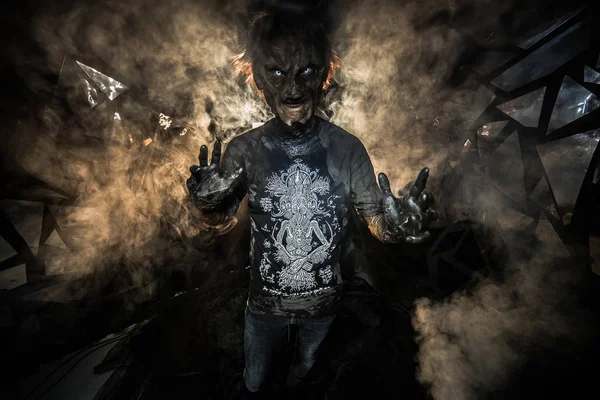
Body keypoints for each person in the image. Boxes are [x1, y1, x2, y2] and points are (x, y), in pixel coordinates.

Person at [186, 7, 436, 396]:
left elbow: (378, 224)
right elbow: (218, 221)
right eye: (277, 72)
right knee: (255, 380)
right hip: (263, 308)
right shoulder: (244, 150)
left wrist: (398, 224)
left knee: (303, 375)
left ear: (325, 76)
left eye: (306, 71)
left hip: (324, 307)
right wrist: (205, 204)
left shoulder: (348, 150)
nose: (293, 89)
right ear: (257, 81)